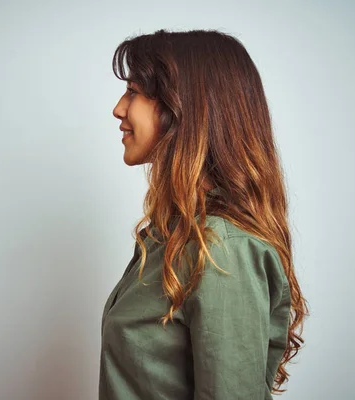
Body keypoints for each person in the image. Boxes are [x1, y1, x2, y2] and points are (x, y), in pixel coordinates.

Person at [99, 28, 309, 400]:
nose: (118, 108)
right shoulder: (170, 235)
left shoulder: (222, 250)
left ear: (186, 107)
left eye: (133, 92)